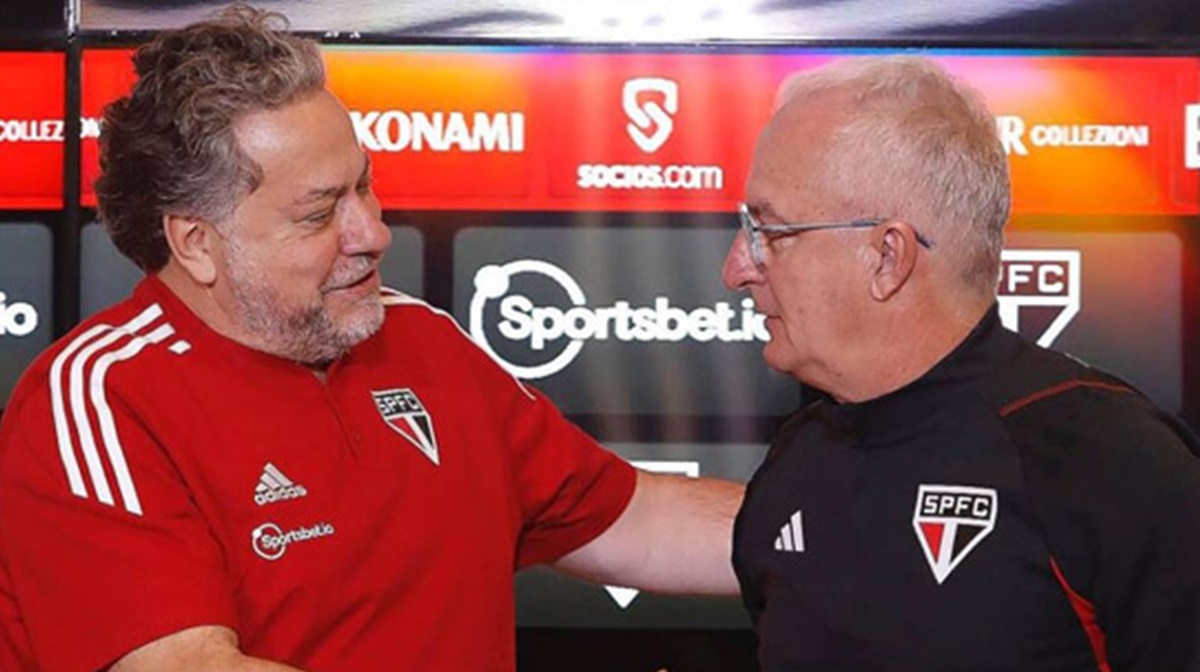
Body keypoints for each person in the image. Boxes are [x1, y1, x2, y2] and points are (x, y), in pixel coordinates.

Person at [0, 7, 742, 671]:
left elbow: (633, 520)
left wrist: (843, 528)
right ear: (196, 244)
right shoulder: (101, 401)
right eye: (320, 213)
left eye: (365, 185)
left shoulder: (424, 341)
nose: (373, 232)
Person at [721, 55, 1200, 670]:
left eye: (770, 232)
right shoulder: (796, 462)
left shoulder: (1109, 462)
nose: (736, 269)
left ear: (887, 257)